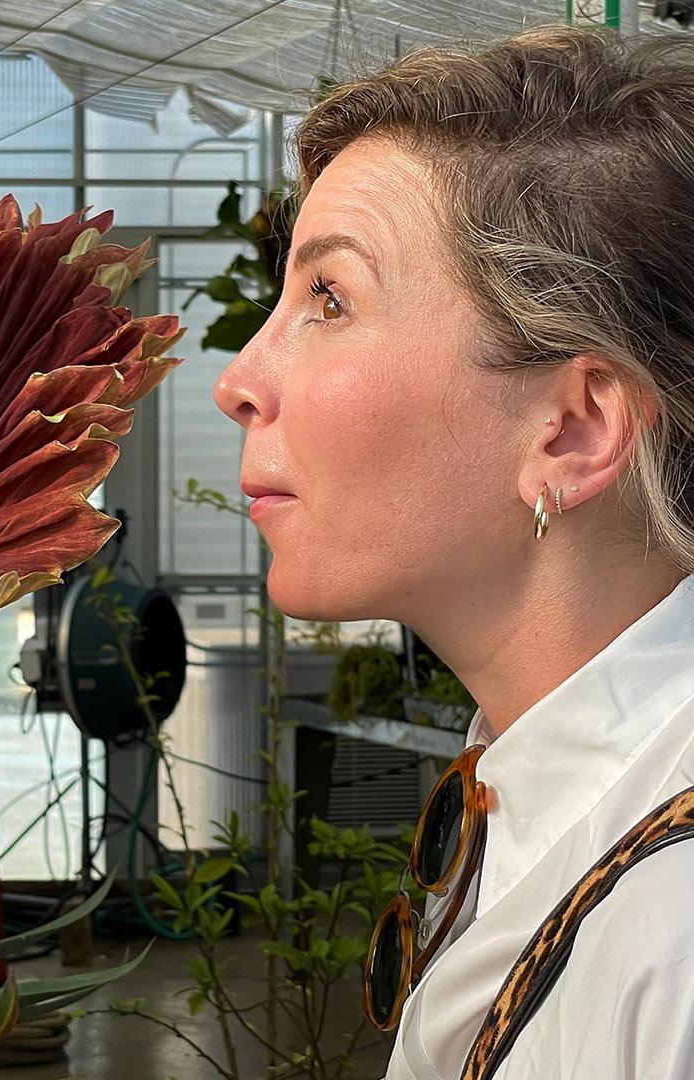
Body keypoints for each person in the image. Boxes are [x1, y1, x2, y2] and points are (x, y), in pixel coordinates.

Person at [214, 23, 694, 1080]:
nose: (239, 377)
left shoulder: (676, 930)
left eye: (330, 299)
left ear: (571, 431)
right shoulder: (548, 780)